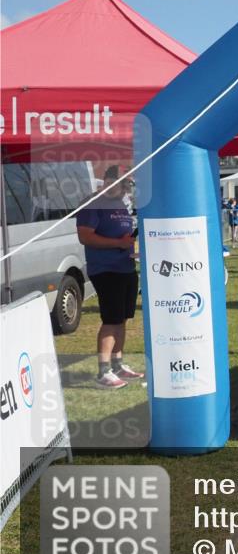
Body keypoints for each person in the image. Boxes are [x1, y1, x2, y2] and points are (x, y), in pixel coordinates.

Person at [76, 166, 144, 389]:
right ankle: (103, 372)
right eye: (122, 183)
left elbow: (122, 235)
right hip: (105, 270)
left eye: (128, 184)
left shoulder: (119, 204)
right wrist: (118, 244)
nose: (125, 188)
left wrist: (129, 247)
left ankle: (117, 365)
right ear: (107, 180)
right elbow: (85, 236)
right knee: (111, 320)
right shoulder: (93, 203)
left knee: (123, 319)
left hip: (125, 267)